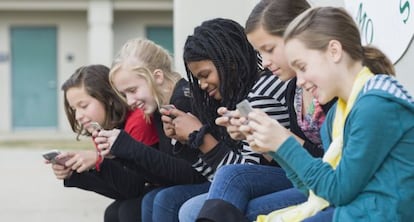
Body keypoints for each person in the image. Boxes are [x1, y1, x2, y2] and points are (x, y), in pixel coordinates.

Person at [243, 6, 413, 222]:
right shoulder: (336, 116)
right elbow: (317, 191)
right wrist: (275, 147)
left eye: (303, 67)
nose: (301, 80)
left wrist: (284, 143)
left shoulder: (376, 106)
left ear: (334, 51)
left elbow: (338, 191)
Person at [180, 1, 336, 221]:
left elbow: (333, 167)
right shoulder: (293, 88)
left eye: (269, 49)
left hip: (326, 183)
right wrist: (257, 136)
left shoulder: (270, 91)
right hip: (309, 178)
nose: (266, 62)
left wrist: (203, 139)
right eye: (260, 52)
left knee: (198, 205)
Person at [136, 17, 292, 222]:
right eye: (197, 78)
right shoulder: (238, 97)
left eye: (205, 74)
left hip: (289, 178)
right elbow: (220, 180)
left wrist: (202, 138)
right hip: (258, 180)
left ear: (228, 61)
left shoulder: (260, 96)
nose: (201, 85)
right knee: (169, 201)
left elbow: (245, 174)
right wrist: (189, 142)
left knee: (189, 209)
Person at [92, 38, 209, 221]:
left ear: (157, 77)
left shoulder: (183, 101)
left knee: (162, 199)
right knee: (145, 200)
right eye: (125, 94)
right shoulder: (157, 106)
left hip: (212, 180)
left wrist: (129, 147)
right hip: (195, 181)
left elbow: (192, 174)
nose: (130, 101)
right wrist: (120, 153)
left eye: (133, 90)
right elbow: (165, 174)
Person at [46, 64, 159, 222]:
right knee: (113, 212)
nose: (78, 115)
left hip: (163, 188)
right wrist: (75, 173)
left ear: (108, 99)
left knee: (128, 211)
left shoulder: (138, 121)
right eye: (74, 109)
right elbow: (119, 190)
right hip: (141, 191)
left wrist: (99, 162)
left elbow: (134, 188)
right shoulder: (100, 129)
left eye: (83, 106)